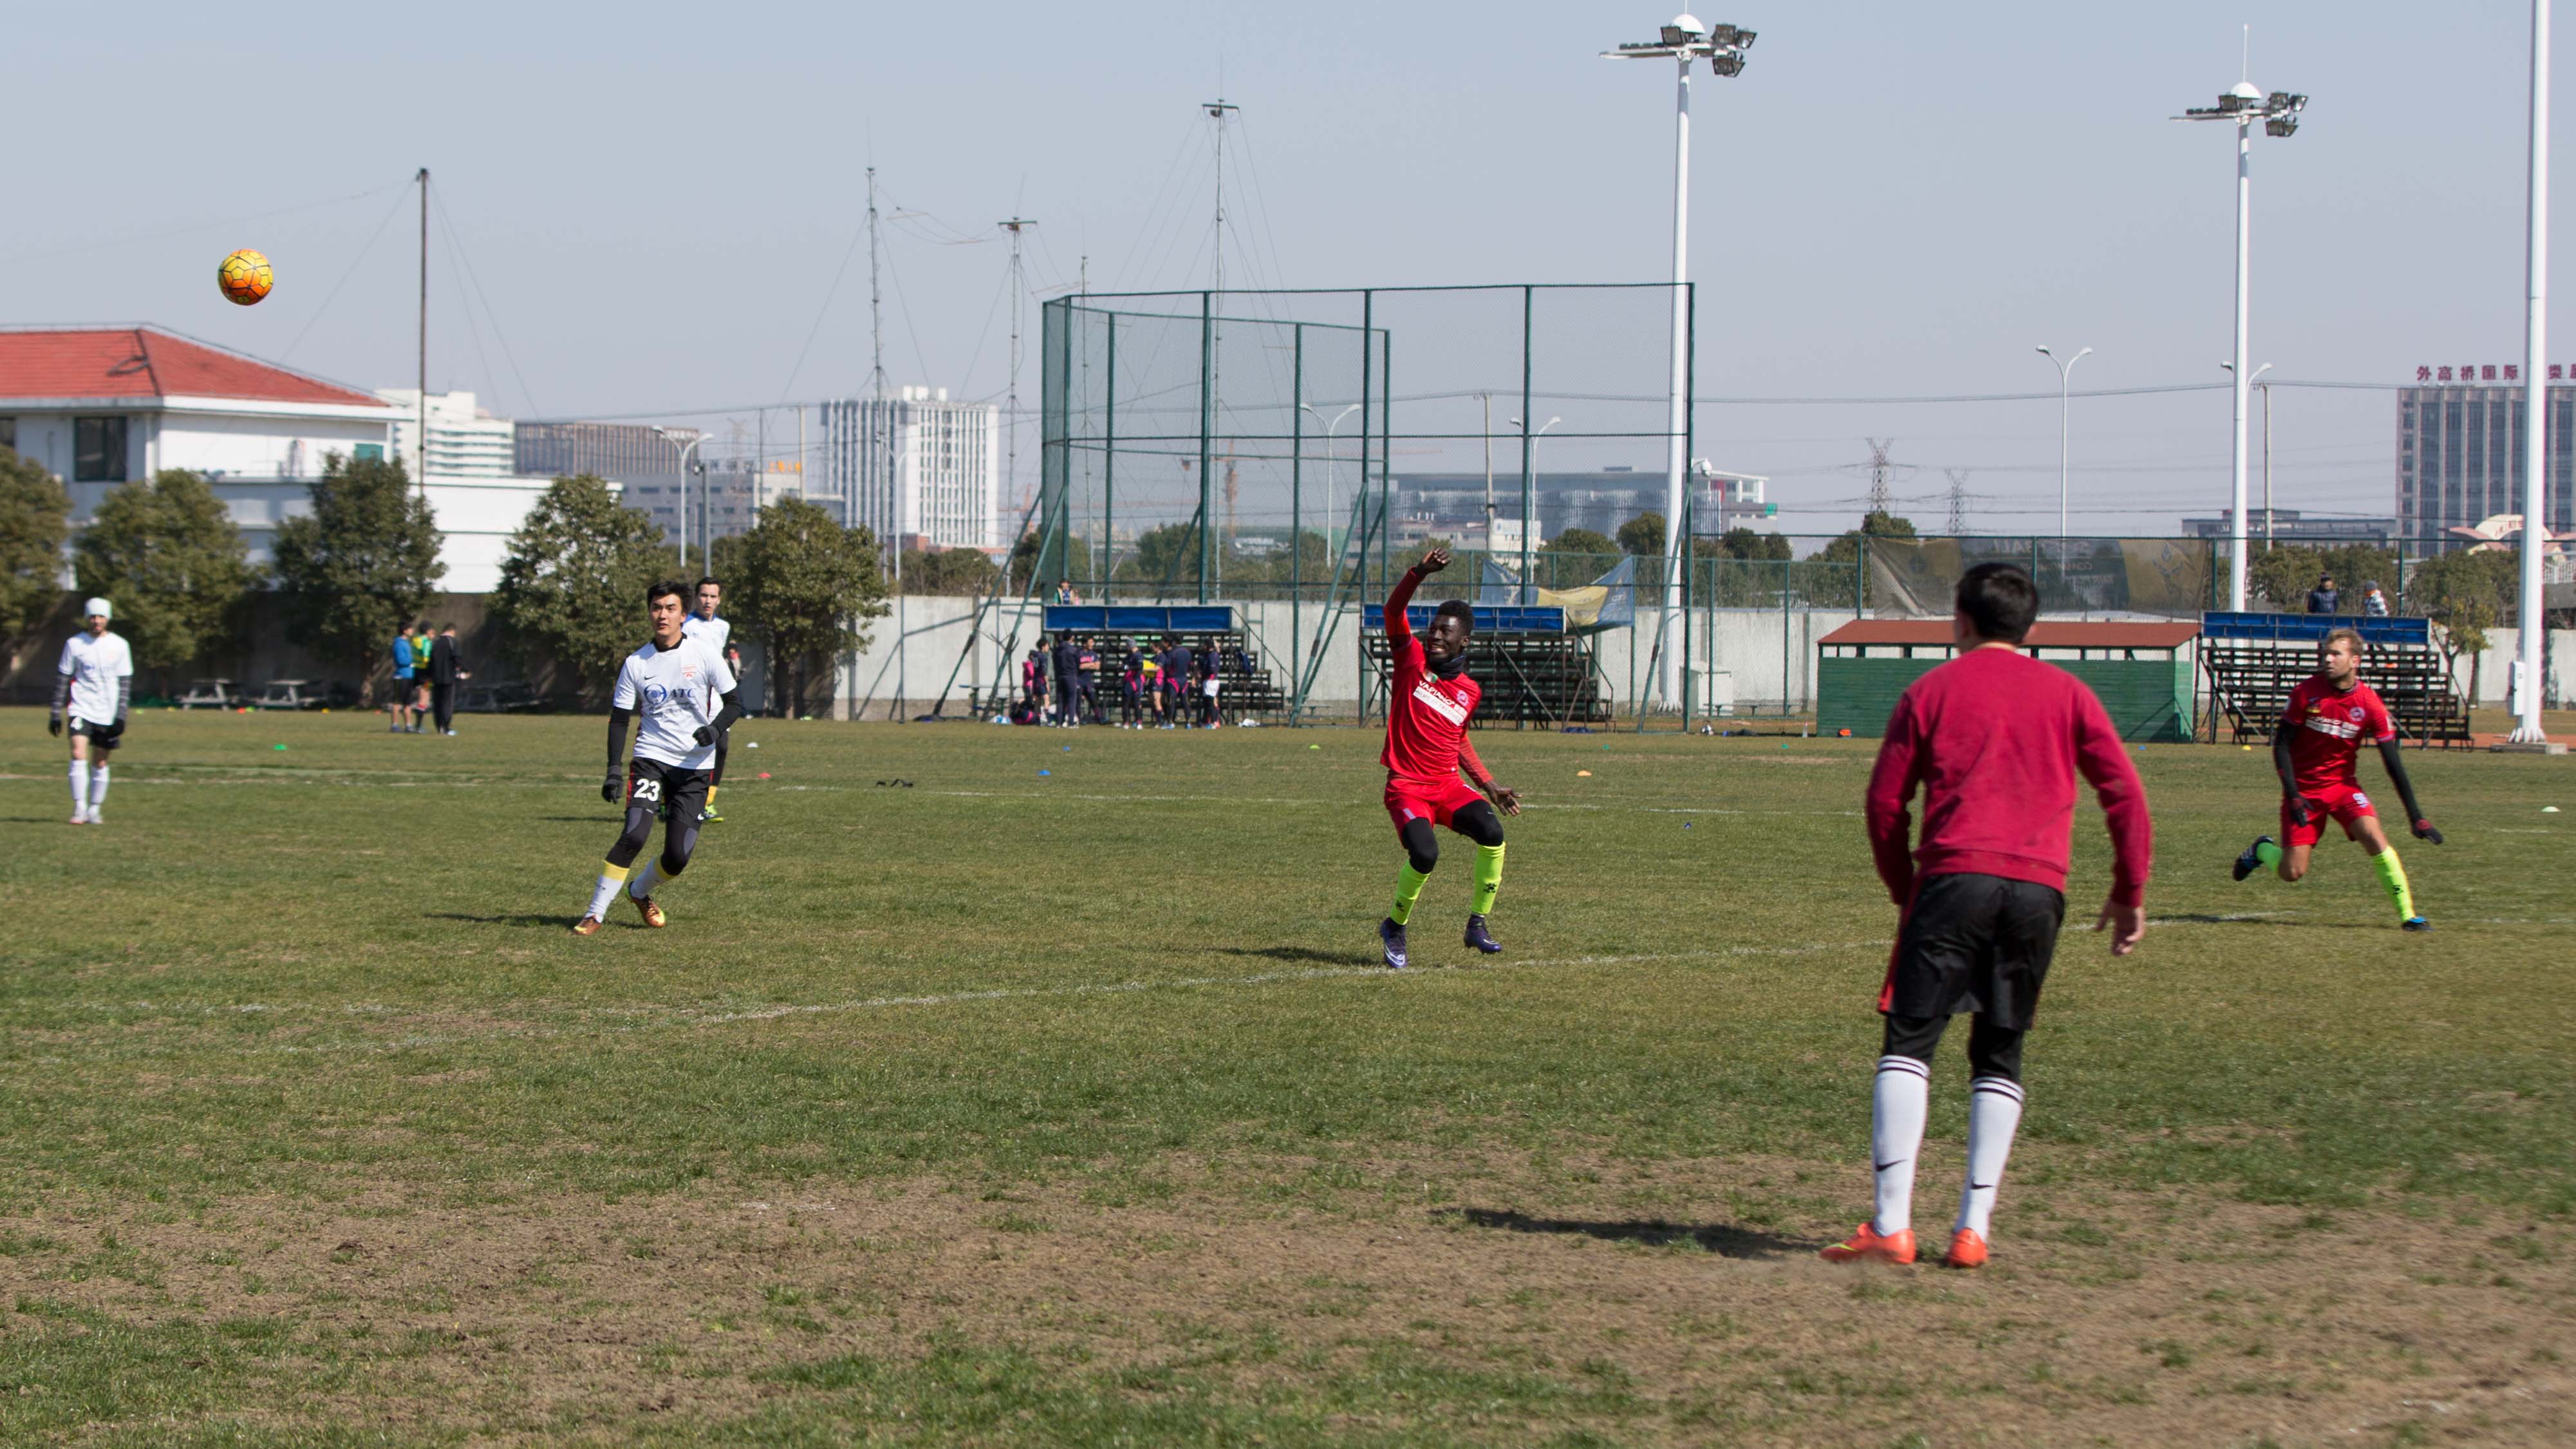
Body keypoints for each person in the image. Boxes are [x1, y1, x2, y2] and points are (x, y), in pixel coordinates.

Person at [1828, 563, 2152, 1271]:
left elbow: (1884, 804)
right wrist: (2129, 890)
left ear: (1961, 619)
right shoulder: (2069, 694)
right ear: (2029, 628)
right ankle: (1972, 1230)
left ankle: (1892, 1225)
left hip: (1954, 879)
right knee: (2000, 1050)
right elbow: (2125, 793)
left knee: (1910, 1041)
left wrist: (1905, 886)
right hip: (2039, 890)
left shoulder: (1930, 691)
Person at [2232, 627, 2441, 930]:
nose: (2328, 660)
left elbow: (2393, 763)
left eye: (2336, 654)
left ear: (2355, 660)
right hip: (2304, 791)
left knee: (2374, 837)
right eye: (2326, 654)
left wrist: (2416, 816)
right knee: (2292, 872)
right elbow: (2282, 746)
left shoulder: (2369, 704)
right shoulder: (2306, 693)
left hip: (2343, 788)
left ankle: (2409, 916)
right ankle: (2262, 850)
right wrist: (2293, 794)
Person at [1377, 547, 1520, 970]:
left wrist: (1489, 786)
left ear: (1464, 641)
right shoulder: (1411, 661)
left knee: (1492, 833)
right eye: (1434, 629)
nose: (1436, 636)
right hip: (1407, 787)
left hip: (1447, 787)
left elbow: (1458, 740)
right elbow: (1393, 611)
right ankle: (1394, 926)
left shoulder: (1470, 691)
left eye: (1446, 631)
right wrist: (1418, 573)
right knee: (1425, 854)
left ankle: (1477, 924)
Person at [574, 580, 744, 935]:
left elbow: (735, 703)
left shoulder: (704, 654)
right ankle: (594, 914)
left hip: (696, 766)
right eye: (656, 608)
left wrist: (714, 731)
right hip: (651, 758)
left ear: (683, 615)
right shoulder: (636, 663)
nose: (662, 615)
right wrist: (613, 770)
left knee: (677, 857)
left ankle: (639, 892)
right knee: (634, 834)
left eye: (670, 608)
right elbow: (620, 719)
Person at [51, 598, 133, 826]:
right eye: (93, 617)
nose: (97, 621)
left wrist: (121, 715)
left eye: (101, 617)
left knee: (100, 761)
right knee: (78, 754)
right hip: (81, 707)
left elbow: (125, 683)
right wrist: (55, 713)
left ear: (108, 619)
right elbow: (62, 678)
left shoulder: (120, 645)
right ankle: (79, 807)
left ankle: (94, 809)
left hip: (108, 711)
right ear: (87, 618)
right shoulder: (74, 644)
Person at [682, 577, 738, 822]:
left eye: (713, 596)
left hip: (716, 696)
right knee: (684, 745)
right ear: (696, 597)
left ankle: (708, 802)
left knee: (721, 746)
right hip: (692, 694)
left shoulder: (723, 627)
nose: (708, 601)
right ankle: (667, 801)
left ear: (719, 600)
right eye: (704, 595)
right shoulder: (686, 623)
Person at [427, 624, 471, 736]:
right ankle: (446, 727)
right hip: (448, 678)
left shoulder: (435, 642)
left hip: (436, 678)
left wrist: (429, 675)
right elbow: (457, 658)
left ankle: (439, 727)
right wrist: (466, 670)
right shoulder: (452, 642)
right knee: (447, 703)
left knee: (437, 703)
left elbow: (430, 660)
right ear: (452, 631)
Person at [388, 626, 418, 732]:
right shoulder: (399, 644)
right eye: (410, 629)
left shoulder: (407, 643)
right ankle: (394, 725)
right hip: (400, 676)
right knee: (397, 701)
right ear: (405, 630)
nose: (412, 631)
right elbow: (401, 660)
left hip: (409, 676)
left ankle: (408, 725)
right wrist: (413, 659)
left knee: (407, 702)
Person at [1051, 632, 1084, 727]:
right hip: (1071, 675)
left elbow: (1054, 662)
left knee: (1060, 700)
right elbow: (1078, 662)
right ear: (1071, 638)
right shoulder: (1074, 650)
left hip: (1060, 676)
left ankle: (1059, 723)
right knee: (1071, 699)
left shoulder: (1057, 650)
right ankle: (1070, 722)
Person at [409, 621, 436, 727]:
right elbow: (426, 658)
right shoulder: (426, 642)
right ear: (428, 631)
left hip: (417, 671)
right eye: (432, 631)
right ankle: (419, 726)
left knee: (423, 697)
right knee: (424, 698)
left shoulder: (416, 640)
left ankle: (418, 725)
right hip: (426, 674)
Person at [1165, 637, 1195, 728]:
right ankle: (1188, 722)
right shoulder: (1188, 652)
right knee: (1186, 701)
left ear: (1174, 641)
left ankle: (1171, 722)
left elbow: (1168, 666)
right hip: (1184, 680)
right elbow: (1191, 666)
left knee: (1171, 701)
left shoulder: (1173, 652)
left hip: (1173, 680)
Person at [1076, 635, 1102, 725]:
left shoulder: (1093, 654)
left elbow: (1097, 667)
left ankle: (1100, 718)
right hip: (1079, 681)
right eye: (1090, 643)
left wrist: (1087, 665)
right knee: (1078, 702)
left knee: (1093, 700)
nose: (1092, 644)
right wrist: (1092, 664)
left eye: (1093, 642)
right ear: (1085, 644)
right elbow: (1080, 666)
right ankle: (1079, 719)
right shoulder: (1079, 653)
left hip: (1088, 682)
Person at [1120, 642, 1146, 727]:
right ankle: (1139, 722)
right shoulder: (1131, 655)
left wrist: (1128, 667)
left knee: (1126, 703)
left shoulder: (1137, 655)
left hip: (1132, 681)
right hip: (1135, 682)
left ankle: (1126, 723)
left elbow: (1140, 666)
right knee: (1136, 703)